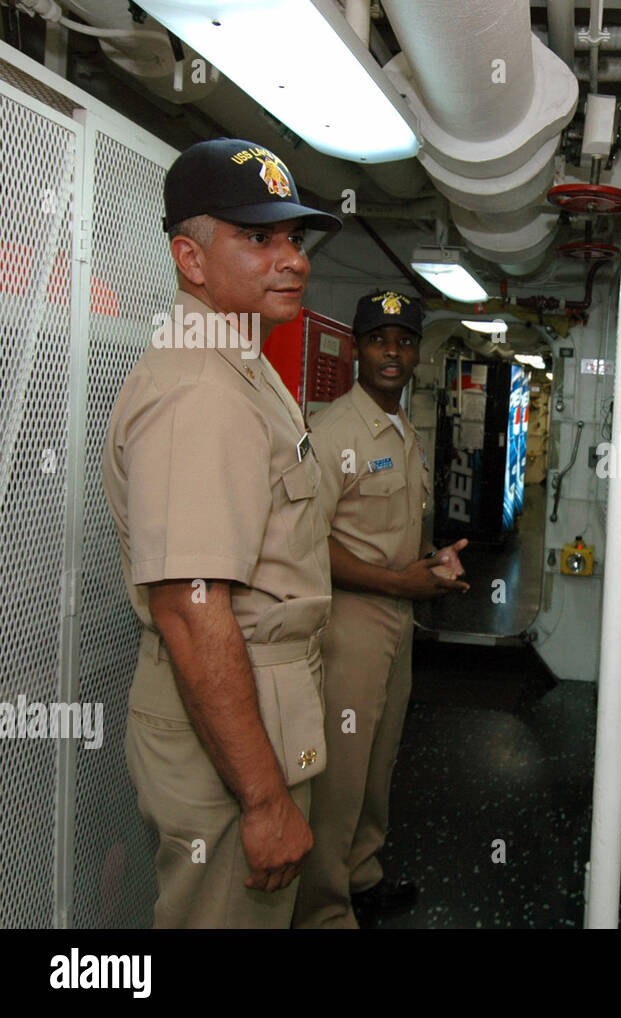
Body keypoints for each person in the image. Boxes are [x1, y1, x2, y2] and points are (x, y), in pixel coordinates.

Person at [102, 138, 342, 928]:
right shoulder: (201, 391)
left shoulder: (241, 363)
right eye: (258, 238)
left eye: (294, 240)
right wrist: (266, 801)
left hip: (260, 703)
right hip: (229, 731)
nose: (292, 261)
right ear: (191, 259)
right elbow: (188, 607)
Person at [292, 289, 470, 929]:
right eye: (377, 339)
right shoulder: (334, 430)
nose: (391, 352)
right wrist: (400, 585)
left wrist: (434, 562)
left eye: (402, 340)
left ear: (415, 351)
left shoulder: (401, 427)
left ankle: (361, 876)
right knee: (337, 777)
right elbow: (309, 545)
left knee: (378, 758)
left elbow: (393, 530)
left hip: (397, 620)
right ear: (358, 350)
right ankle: (322, 911)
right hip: (349, 627)